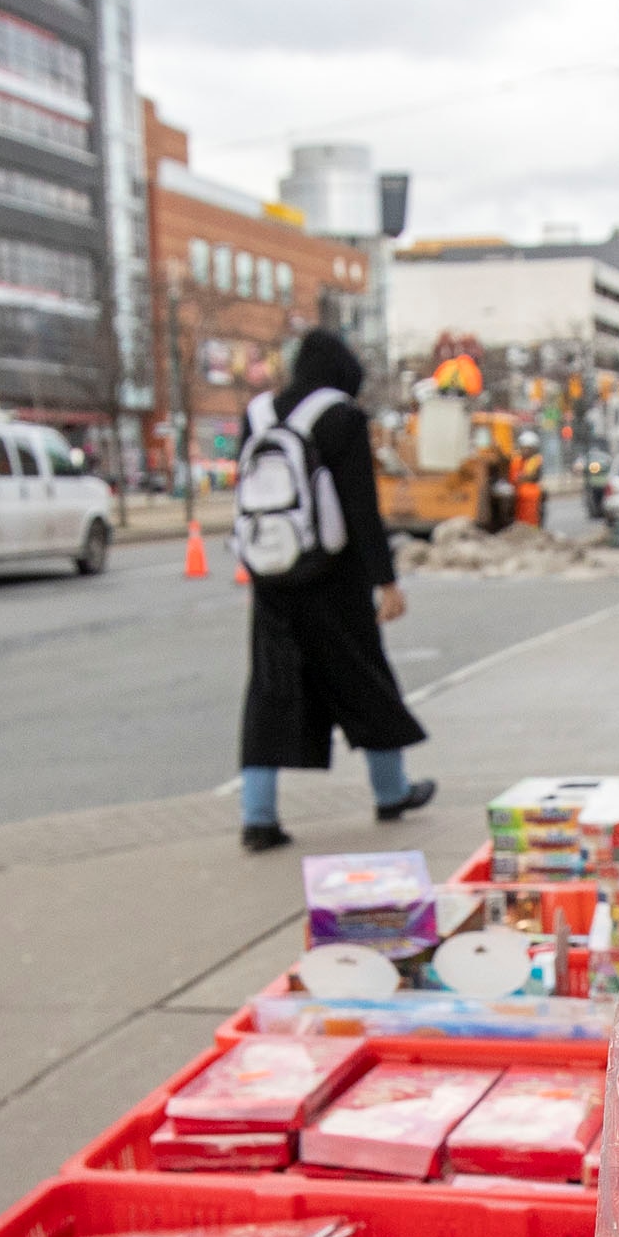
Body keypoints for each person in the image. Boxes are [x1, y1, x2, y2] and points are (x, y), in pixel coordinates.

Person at [235, 326, 434, 854]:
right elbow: (361, 511)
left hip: (273, 576)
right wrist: (386, 582)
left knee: (268, 692)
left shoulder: (257, 415)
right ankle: (391, 792)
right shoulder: (340, 417)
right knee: (364, 681)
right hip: (334, 581)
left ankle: (257, 816)